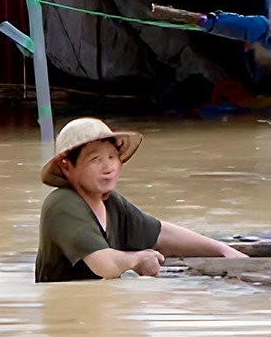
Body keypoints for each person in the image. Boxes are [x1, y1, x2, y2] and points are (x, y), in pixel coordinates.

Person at [35, 117, 247, 282]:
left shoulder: (110, 202)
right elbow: (103, 264)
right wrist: (137, 259)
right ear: (66, 166)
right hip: (73, 324)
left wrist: (224, 251)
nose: (108, 168)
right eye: (95, 159)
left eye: (111, 157)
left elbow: (161, 234)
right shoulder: (62, 204)